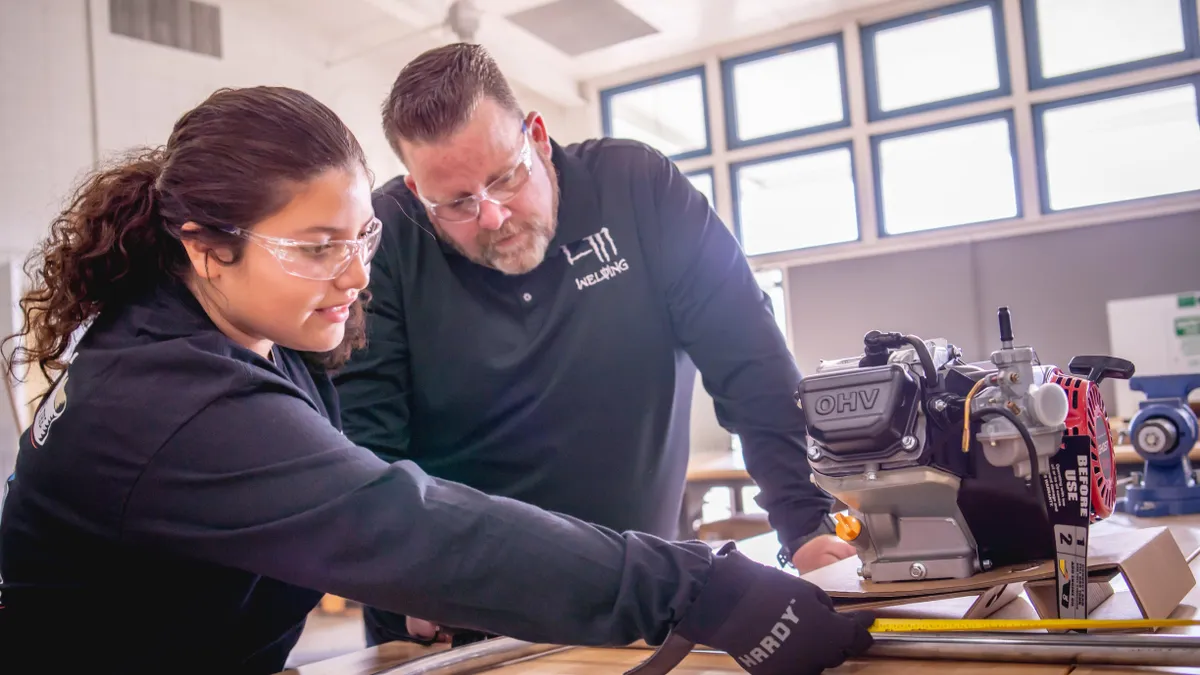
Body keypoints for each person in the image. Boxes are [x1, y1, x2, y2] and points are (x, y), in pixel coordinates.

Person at [0, 85, 873, 675]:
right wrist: (703, 585)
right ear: (205, 246)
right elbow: (398, 522)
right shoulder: (169, 401)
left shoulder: (251, 333)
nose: (354, 275)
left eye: (360, 239)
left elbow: (354, 503)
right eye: (316, 247)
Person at [331, 43, 856, 645]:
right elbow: (363, 448)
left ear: (538, 135)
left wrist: (808, 525)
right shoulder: (388, 239)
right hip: (460, 615)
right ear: (416, 189)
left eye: (505, 178)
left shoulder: (637, 188)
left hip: (650, 599)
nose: (493, 217)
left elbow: (752, 368)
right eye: (455, 203)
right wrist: (403, 580)